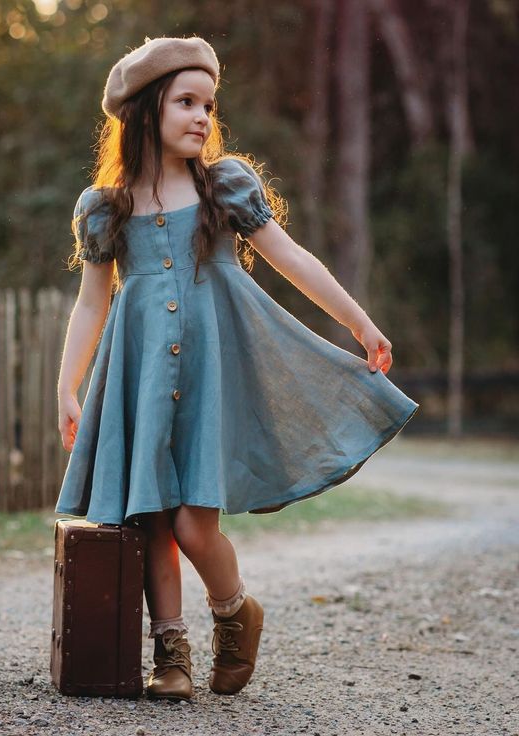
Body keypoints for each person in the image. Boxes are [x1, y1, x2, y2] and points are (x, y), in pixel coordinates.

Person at [54, 35, 419, 701]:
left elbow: (292, 258)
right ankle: (170, 655)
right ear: (142, 113)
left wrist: (358, 321)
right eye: (185, 102)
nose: (202, 116)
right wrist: (67, 386)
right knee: (150, 520)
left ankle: (234, 613)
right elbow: (89, 304)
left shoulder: (224, 185)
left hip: (212, 374)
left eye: (208, 105)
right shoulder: (105, 208)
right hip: (139, 375)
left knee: (195, 523)